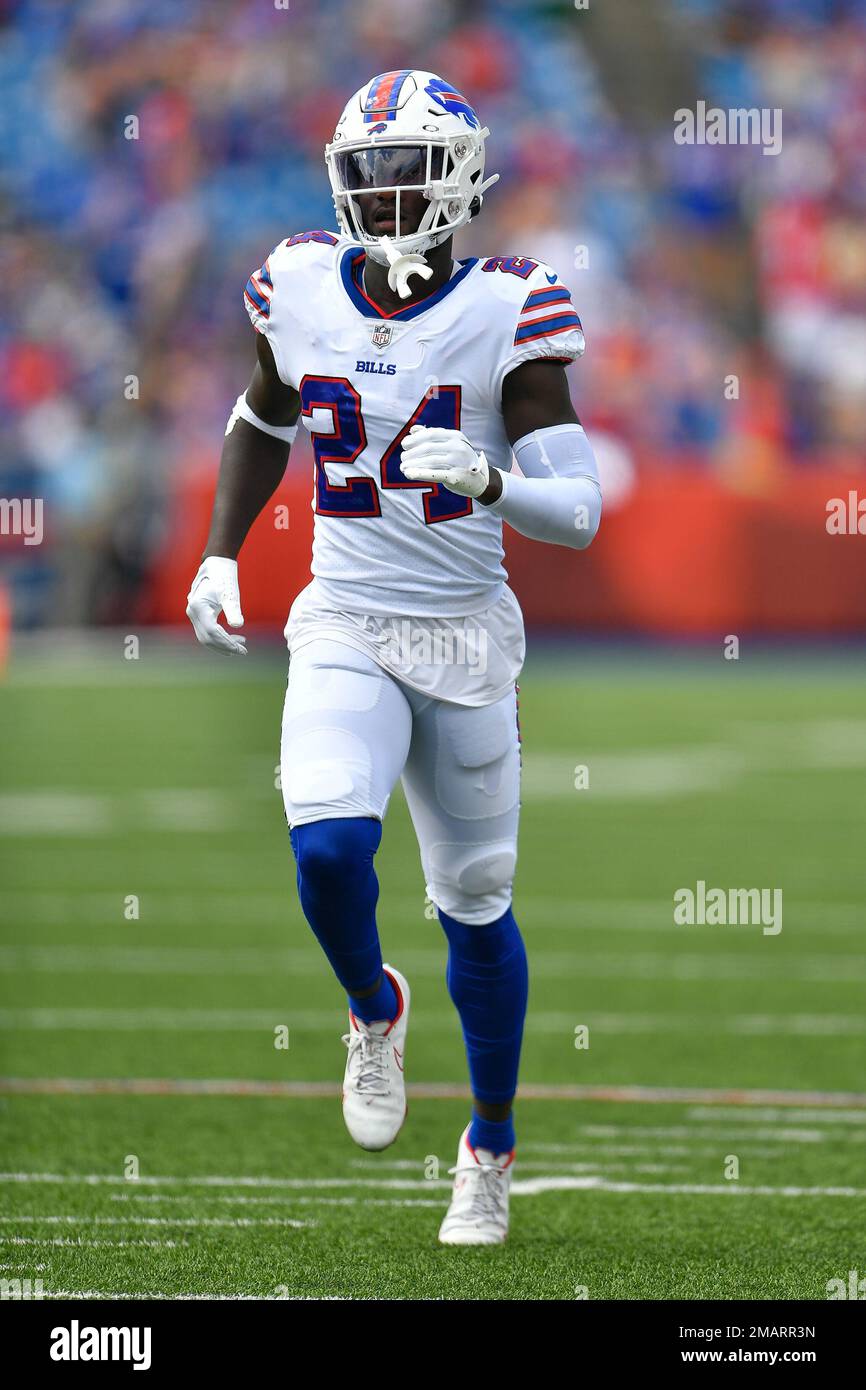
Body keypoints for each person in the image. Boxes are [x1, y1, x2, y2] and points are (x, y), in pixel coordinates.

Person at [186, 69, 602, 1245]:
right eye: (362, 170)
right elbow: (265, 413)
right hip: (345, 618)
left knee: (475, 905)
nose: (378, 193)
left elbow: (579, 509)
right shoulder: (299, 279)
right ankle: (373, 1008)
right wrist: (222, 554)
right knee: (325, 845)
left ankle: (490, 1143)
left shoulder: (508, 308)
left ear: (459, 181)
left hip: (465, 636)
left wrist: (492, 481)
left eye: (402, 170)